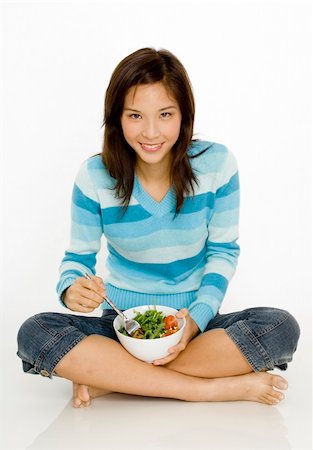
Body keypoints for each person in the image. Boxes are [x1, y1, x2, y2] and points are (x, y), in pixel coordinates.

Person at [17, 47, 300, 408]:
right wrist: (72, 289)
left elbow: (223, 252)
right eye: (135, 115)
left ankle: (113, 378)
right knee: (35, 333)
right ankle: (207, 388)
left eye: (165, 114)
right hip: (121, 327)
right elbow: (77, 258)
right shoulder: (95, 176)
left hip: (196, 325)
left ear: (184, 116)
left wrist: (194, 323)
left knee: (280, 328)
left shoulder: (216, 164)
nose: (151, 132)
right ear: (117, 118)